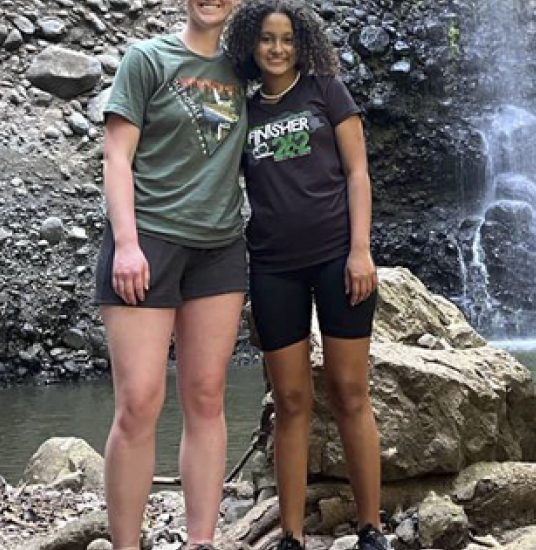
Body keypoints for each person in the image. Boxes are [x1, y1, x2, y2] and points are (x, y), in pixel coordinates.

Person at [225, 3, 389, 550]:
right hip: (273, 266)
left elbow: (358, 172)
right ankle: (291, 536)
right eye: (267, 40)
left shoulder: (327, 91)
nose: (277, 49)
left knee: (349, 391)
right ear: (251, 45)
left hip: (338, 258)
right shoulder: (244, 112)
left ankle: (371, 529)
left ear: (302, 45)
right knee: (291, 400)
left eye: (288, 40)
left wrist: (360, 250)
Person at [94, 1, 246, 549]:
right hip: (149, 239)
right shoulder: (147, 58)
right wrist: (128, 245)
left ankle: (201, 541)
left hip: (220, 246)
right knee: (139, 401)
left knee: (207, 395)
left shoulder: (245, 68)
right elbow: (116, 155)